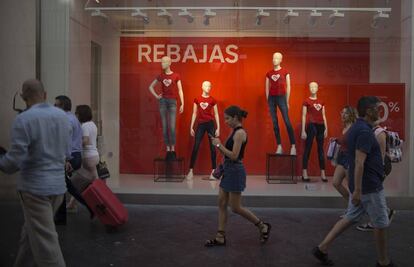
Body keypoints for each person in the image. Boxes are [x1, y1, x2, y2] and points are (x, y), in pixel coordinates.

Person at [312, 96, 394, 267]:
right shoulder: (364, 131)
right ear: (367, 111)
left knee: (350, 217)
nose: (379, 111)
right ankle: (384, 262)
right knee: (381, 224)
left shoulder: (358, 127)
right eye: (376, 108)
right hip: (369, 187)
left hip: (364, 186)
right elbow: (359, 162)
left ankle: (322, 248)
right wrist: (357, 190)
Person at [0, 79, 67, 266]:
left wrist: (2, 161)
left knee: (46, 244)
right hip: (58, 188)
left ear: (23, 97)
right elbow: (67, 151)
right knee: (31, 235)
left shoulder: (23, 120)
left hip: (35, 189)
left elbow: (13, 162)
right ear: (45, 95)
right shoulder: (62, 117)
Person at [205, 106, 271, 247]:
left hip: (235, 171)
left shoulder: (240, 133)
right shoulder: (235, 131)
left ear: (235, 117)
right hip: (229, 170)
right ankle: (220, 236)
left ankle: (262, 226)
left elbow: (234, 156)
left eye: (227, 118)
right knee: (222, 203)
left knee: (235, 207)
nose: (226, 121)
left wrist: (219, 145)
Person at [54, 96, 94, 219]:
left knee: (64, 186)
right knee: (64, 185)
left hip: (70, 157)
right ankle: (61, 215)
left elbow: (65, 141)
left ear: (62, 106)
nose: (54, 107)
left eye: (56, 105)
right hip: (75, 156)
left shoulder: (66, 120)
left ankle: (89, 207)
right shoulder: (73, 118)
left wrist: (65, 159)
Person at [148, 56, 184, 159]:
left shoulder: (176, 75)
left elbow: (180, 90)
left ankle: (172, 148)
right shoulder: (161, 76)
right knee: (164, 126)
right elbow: (150, 87)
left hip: (173, 102)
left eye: (163, 62)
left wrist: (182, 103)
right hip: (163, 102)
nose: (162, 64)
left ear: (169, 63)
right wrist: (156, 96)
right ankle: (168, 149)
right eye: (161, 62)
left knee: (172, 127)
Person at [186, 81, 220, 180]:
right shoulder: (197, 99)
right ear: (202, 86)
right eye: (206, 85)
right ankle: (191, 170)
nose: (208, 87)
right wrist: (191, 126)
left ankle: (213, 170)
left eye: (210, 86)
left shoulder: (213, 100)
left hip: (210, 124)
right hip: (200, 124)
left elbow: (216, 114)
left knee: (213, 148)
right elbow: (194, 113)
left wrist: (218, 127)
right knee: (196, 146)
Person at [265, 52, 296, 155]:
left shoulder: (285, 72)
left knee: (287, 121)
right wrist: (268, 101)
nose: (275, 60)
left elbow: (289, 86)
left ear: (281, 59)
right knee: (274, 123)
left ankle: (293, 145)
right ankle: (279, 145)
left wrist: (287, 101)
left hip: (282, 97)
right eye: (273, 58)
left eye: (277, 58)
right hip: (272, 98)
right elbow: (266, 87)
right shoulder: (269, 73)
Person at [69, 105, 100, 195]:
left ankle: (101, 199)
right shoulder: (93, 124)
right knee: (83, 180)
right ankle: (72, 203)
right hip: (94, 155)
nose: (75, 115)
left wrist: (75, 144)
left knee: (81, 181)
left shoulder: (85, 126)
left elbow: (86, 140)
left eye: (76, 113)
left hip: (88, 156)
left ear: (81, 114)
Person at [301, 81, 328, 182]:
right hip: (311, 125)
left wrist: (326, 127)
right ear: (309, 88)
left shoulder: (321, 101)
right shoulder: (306, 101)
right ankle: (304, 172)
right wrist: (303, 130)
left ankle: (323, 173)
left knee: (320, 150)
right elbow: (303, 115)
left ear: (317, 88)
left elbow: (324, 115)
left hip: (320, 125)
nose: (313, 89)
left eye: (314, 87)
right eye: (311, 87)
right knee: (308, 148)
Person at [332, 106, 358, 201]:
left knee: (352, 186)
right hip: (342, 157)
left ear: (351, 115)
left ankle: (353, 209)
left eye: (345, 113)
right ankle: (352, 206)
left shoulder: (354, 128)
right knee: (336, 182)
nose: (343, 115)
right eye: (342, 112)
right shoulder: (344, 127)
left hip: (350, 157)